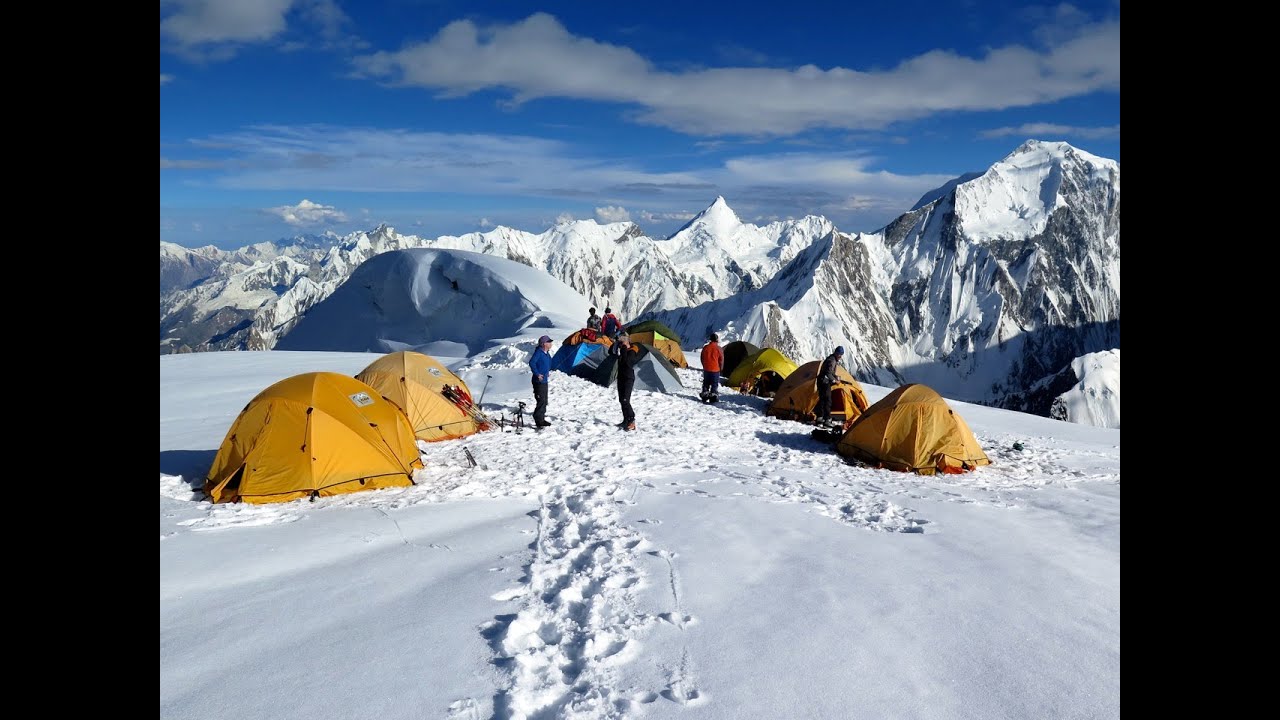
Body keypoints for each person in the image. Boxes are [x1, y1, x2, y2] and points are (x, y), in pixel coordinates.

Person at [528, 335, 554, 428]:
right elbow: (532, 362)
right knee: (541, 400)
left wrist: (547, 371)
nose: (551, 344)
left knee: (544, 400)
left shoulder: (546, 353)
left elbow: (549, 362)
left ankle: (541, 418)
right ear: (544, 344)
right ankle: (538, 420)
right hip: (538, 381)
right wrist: (537, 374)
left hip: (544, 380)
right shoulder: (538, 352)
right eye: (549, 342)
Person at [613, 333, 638, 430]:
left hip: (628, 377)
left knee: (625, 400)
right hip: (621, 377)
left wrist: (623, 349)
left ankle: (632, 420)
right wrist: (616, 345)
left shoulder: (632, 351)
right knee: (621, 400)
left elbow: (627, 363)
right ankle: (626, 420)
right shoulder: (622, 350)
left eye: (622, 341)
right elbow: (611, 352)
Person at [815, 346, 844, 427]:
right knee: (827, 400)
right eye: (839, 354)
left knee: (822, 400)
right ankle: (827, 419)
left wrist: (835, 376)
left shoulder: (831, 359)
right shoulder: (832, 361)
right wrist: (835, 381)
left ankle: (820, 418)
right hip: (824, 382)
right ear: (836, 353)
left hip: (822, 381)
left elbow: (829, 372)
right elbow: (828, 373)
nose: (840, 356)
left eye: (841, 355)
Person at [700, 332, 723, 399]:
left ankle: (705, 393)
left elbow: (702, 357)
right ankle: (713, 395)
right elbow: (721, 360)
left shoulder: (705, 347)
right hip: (715, 369)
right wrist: (720, 368)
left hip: (706, 368)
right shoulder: (719, 349)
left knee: (706, 382)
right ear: (717, 340)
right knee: (714, 384)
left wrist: (704, 365)